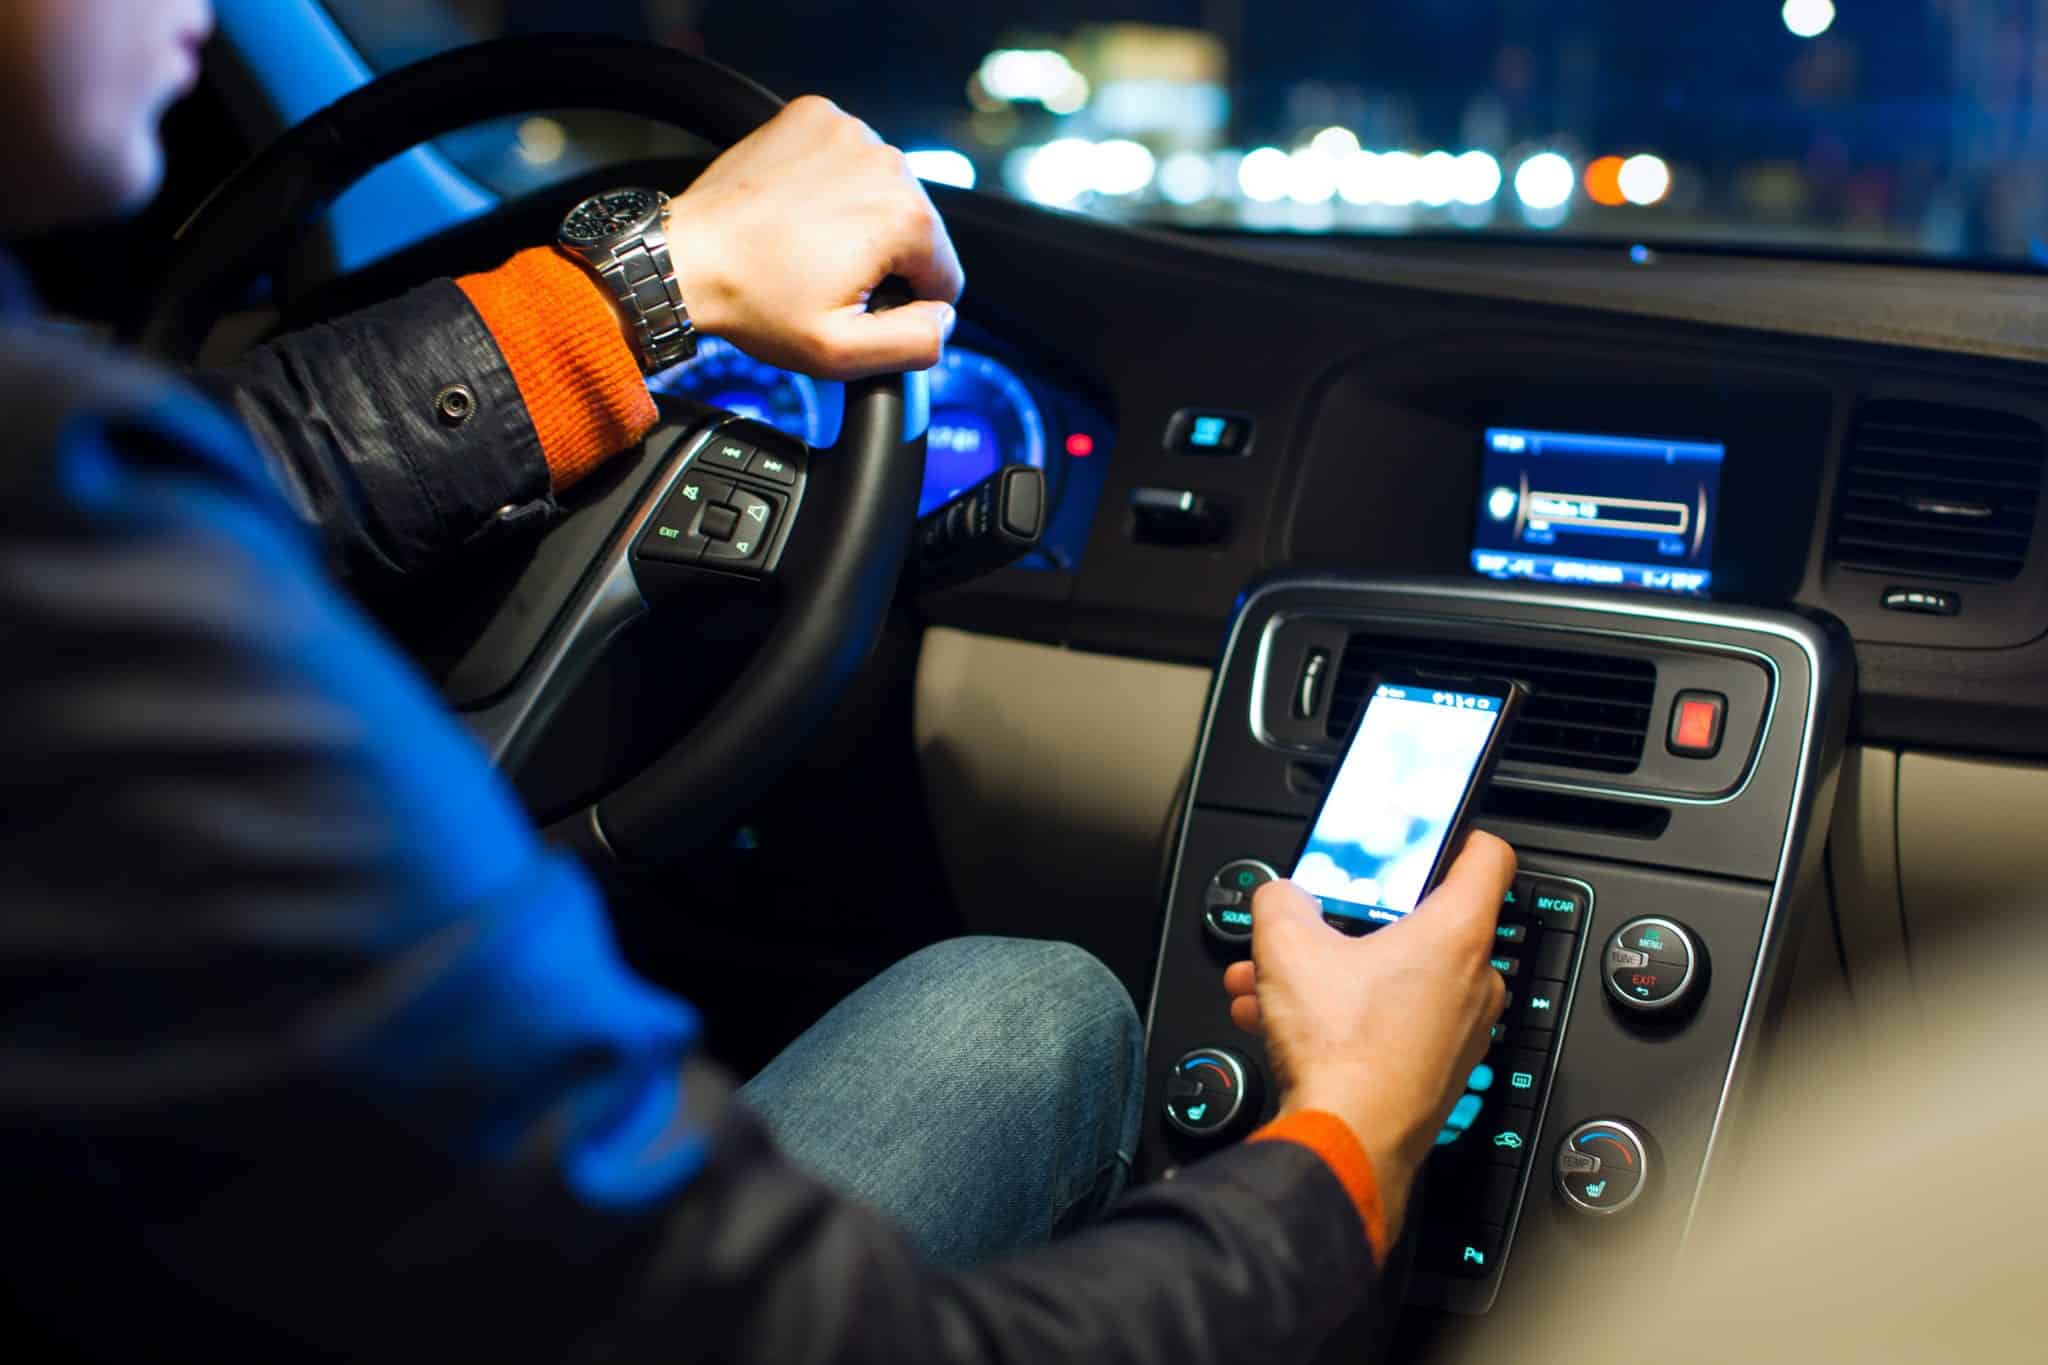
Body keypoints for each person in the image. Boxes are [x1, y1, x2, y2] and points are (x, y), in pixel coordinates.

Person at [0, 2, 1512, 1360]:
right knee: (1035, 1004)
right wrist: (1349, 1142)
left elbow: (241, 452)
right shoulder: (89, 566)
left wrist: (646, 294)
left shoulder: (66, 478)